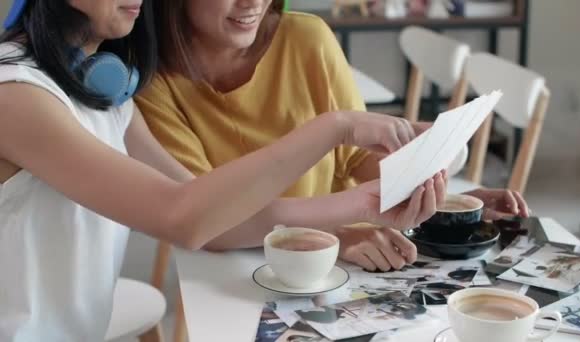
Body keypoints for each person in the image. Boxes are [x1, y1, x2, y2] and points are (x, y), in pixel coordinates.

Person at [0, 0, 445, 340]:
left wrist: (361, 205)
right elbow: (182, 216)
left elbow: (216, 223)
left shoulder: (105, 90)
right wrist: (335, 127)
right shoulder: (16, 96)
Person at [136, 0, 530, 271]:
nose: (253, 2)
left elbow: (357, 161)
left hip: (332, 264)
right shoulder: (152, 84)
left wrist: (451, 208)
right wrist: (334, 232)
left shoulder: (308, 38)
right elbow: (210, 220)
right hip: (234, 269)